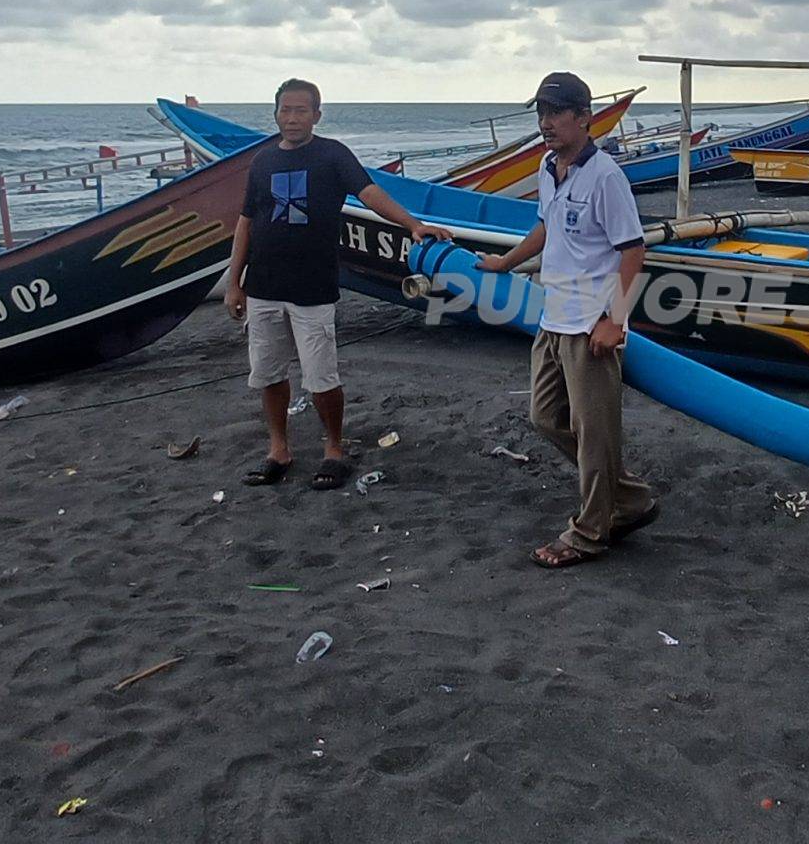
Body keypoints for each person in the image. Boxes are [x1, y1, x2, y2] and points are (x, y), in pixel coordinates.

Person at [225, 78, 449, 490]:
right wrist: (234, 282)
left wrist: (414, 225)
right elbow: (246, 222)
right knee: (269, 373)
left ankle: (333, 449)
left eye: (301, 111)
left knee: (321, 377)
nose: (291, 118)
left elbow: (370, 194)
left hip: (312, 287)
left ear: (317, 115)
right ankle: (279, 449)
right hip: (263, 287)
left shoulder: (332, 155)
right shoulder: (262, 162)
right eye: (285, 110)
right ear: (275, 114)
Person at [479, 71, 659, 566]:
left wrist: (614, 320)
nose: (546, 122)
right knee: (545, 417)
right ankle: (629, 499)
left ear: (585, 117)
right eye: (541, 113)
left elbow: (633, 250)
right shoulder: (547, 166)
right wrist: (505, 262)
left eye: (557, 113)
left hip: (590, 323)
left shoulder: (605, 177)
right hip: (553, 315)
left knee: (595, 432)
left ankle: (590, 532)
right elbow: (545, 225)